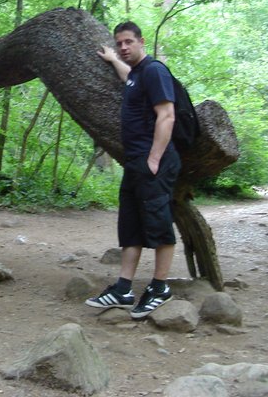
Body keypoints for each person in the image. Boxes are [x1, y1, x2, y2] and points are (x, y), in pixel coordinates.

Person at [85, 20, 181, 320]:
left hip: (154, 161)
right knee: (130, 225)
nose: (124, 47)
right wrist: (114, 60)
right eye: (119, 44)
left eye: (128, 42)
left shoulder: (155, 71)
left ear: (142, 41)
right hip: (135, 163)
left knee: (158, 223)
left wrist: (154, 158)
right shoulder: (137, 74)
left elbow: (167, 115)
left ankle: (160, 287)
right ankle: (124, 288)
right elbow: (129, 77)